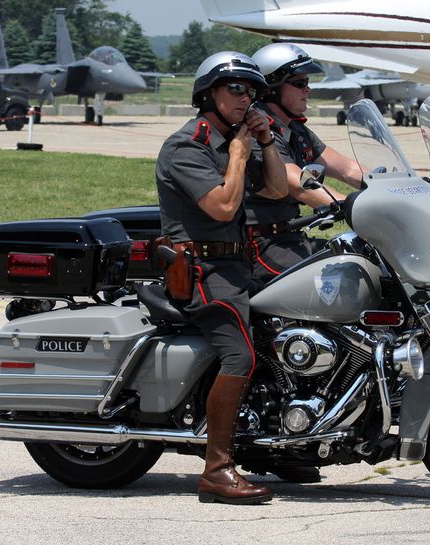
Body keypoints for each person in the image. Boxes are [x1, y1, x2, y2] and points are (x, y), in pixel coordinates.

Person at [155, 51, 288, 505]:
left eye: (251, 91)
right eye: (235, 89)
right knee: (240, 357)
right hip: (201, 271)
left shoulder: (236, 140)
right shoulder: (187, 146)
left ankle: (282, 447)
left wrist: (266, 142)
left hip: (236, 266)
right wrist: (236, 153)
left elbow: (274, 189)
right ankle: (217, 470)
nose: (245, 98)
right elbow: (223, 206)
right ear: (208, 92)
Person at [247, 43, 364, 290]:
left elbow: (348, 169)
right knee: (339, 284)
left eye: (307, 82)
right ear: (270, 88)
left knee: (365, 262)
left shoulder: (295, 129)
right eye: (299, 83)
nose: (308, 89)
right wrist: (359, 208)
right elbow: (299, 184)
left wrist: (397, 185)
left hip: (290, 237)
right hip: (260, 246)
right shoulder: (257, 131)